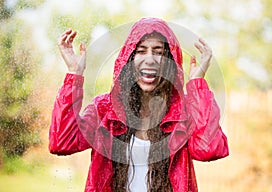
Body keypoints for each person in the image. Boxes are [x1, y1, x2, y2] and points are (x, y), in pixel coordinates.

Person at [49, 17, 229, 192]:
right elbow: (62, 143)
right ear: (128, 59)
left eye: (158, 52)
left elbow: (209, 149)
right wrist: (74, 74)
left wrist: (197, 83)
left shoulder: (183, 112)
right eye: (141, 51)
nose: (149, 59)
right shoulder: (104, 109)